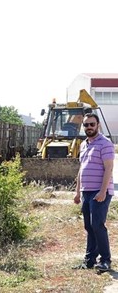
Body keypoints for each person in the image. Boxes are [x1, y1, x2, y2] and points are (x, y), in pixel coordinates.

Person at [73, 113, 114, 272]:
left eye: (92, 124)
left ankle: (105, 260)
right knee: (89, 226)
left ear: (98, 125)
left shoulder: (105, 143)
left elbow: (109, 168)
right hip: (86, 192)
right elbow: (81, 170)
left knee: (98, 225)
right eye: (86, 125)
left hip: (99, 191)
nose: (89, 127)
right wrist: (77, 192)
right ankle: (90, 260)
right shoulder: (83, 145)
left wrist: (103, 191)